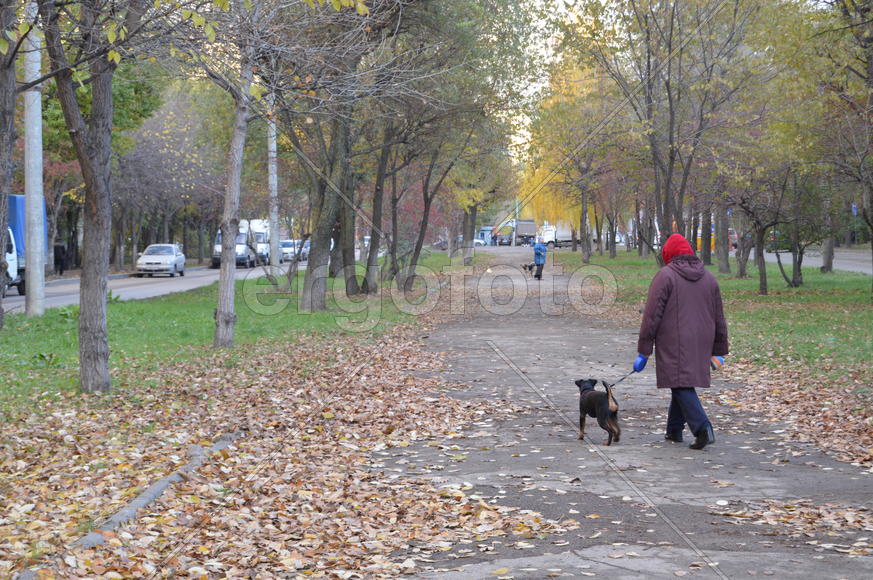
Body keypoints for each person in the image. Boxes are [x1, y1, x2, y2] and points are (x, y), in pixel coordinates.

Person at [633, 233, 728, 450]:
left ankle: (703, 428)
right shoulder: (709, 278)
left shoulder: (665, 276)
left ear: (668, 254)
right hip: (702, 338)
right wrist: (719, 349)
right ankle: (674, 430)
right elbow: (719, 316)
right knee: (681, 380)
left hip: (674, 338)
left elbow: (652, 315)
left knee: (679, 381)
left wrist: (643, 351)